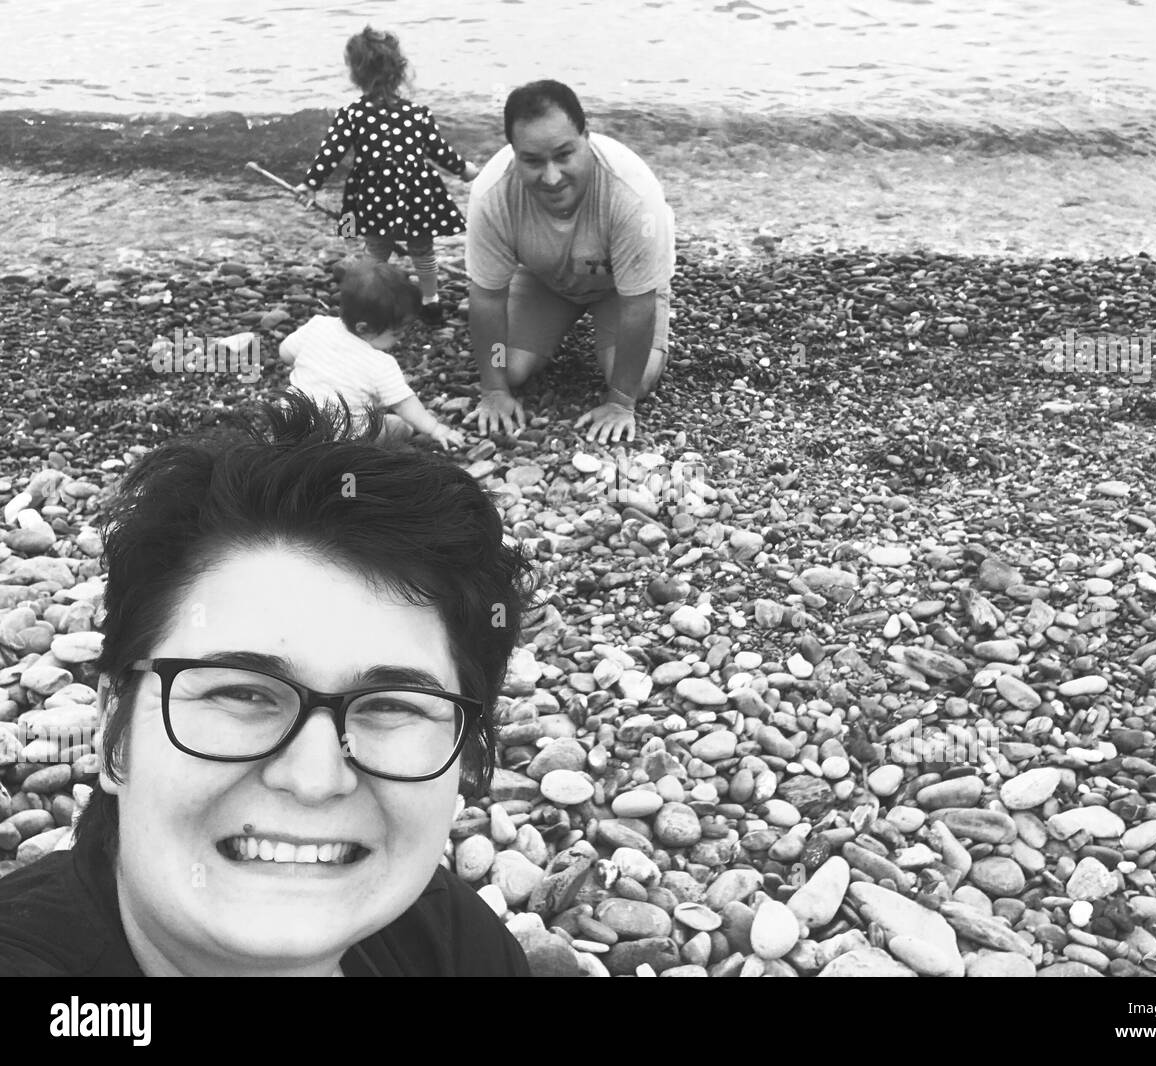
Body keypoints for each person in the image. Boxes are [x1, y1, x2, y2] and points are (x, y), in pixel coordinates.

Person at [0, 392, 532, 976]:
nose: (314, 779)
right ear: (113, 734)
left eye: (388, 705)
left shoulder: (449, 940)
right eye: (242, 693)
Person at [465, 80, 675, 445]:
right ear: (514, 153)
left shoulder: (632, 193)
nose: (551, 177)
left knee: (634, 381)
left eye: (564, 155)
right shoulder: (491, 193)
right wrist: (494, 389)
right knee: (505, 365)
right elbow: (487, 298)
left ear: (586, 137)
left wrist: (620, 403)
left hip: (620, 288)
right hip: (546, 279)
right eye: (532, 161)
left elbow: (638, 304)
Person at [293, 25, 481, 325]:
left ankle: (368, 304)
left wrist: (311, 184)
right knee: (422, 248)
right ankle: (431, 303)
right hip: (416, 192)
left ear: (356, 73)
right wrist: (464, 169)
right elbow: (439, 150)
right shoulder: (418, 113)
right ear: (399, 70)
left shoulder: (352, 114)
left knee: (376, 250)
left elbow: (330, 153)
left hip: (373, 194)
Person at [279, 259, 465, 448]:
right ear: (363, 328)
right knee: (399, 425)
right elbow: (405, 404)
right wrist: (435, 428)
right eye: (396, 333)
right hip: (341, 442)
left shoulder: (318, 325)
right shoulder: (381, 364)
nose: (400, 339)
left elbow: (285, 353)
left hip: (290, 425)